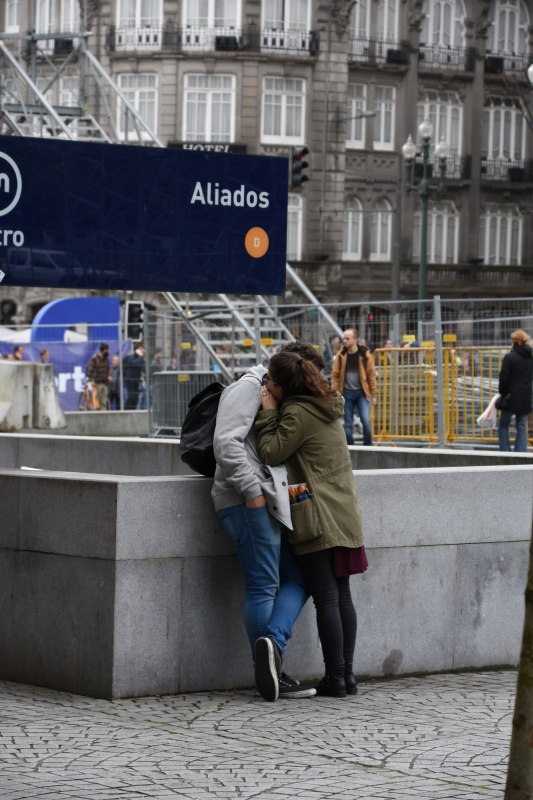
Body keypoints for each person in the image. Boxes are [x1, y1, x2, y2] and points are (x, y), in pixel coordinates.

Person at [211, 342, 325, 702]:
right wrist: (252, 493)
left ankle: (272, 652)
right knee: (263, 584)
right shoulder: (248, 387)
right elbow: (226, 443)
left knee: (299, 577)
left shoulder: (271, 391)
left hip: (267, 500)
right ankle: (270, 675)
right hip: (246, 501)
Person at [256, 349, 367, 698]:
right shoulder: (326, 404)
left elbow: (271, 452)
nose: (266, 386)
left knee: (326, 598)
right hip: (344, 509)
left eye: (270, 381)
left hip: (316, 513)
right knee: (342, 596)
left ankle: (334, 678)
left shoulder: (296, 412)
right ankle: (346, 676)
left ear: (283, 386)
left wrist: (268, 415)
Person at [331, 328, 377, 446]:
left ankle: (368, 448)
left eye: (347, 338)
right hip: (347, 393)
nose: (344, 341)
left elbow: (371, 375)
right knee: (347, 424)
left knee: (366, 421)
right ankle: (351, 449)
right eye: (344, 338)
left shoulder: (365, 355)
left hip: (362, 393)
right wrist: (334, 393)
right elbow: (335, 375)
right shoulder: (341, 355)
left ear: (355, 339)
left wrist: (373, 394)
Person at [498, 329, 533, 453]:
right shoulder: (530, 357)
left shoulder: (509, 357)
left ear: (514, 341)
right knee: (521, 426)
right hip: (526, 397)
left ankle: (505, 451)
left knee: (503, 424)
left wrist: (502, 393)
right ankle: (521, 452)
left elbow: (504, 378)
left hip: (510, 397)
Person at [86, 342, 111, 410]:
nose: (108, 352)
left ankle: (103, 416)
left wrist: (109, 376)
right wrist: (91, 380)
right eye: (107, 350)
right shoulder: (95, 359)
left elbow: (108, 370)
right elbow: (89, 370)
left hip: (105, 384)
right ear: (103, 350)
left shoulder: (107, 360)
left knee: (103, 402)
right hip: (96, 384)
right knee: (97, 402)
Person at [123, 345, 145, 410]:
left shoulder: (140, 358)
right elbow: (135, 364)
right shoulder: (130, 357)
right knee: (131, 397)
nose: (143, 351)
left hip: (136, 381)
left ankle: (133, 410)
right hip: (130, 381)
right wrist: (141, 358)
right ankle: (126, 411)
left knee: (135, 398)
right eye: (141, 349)